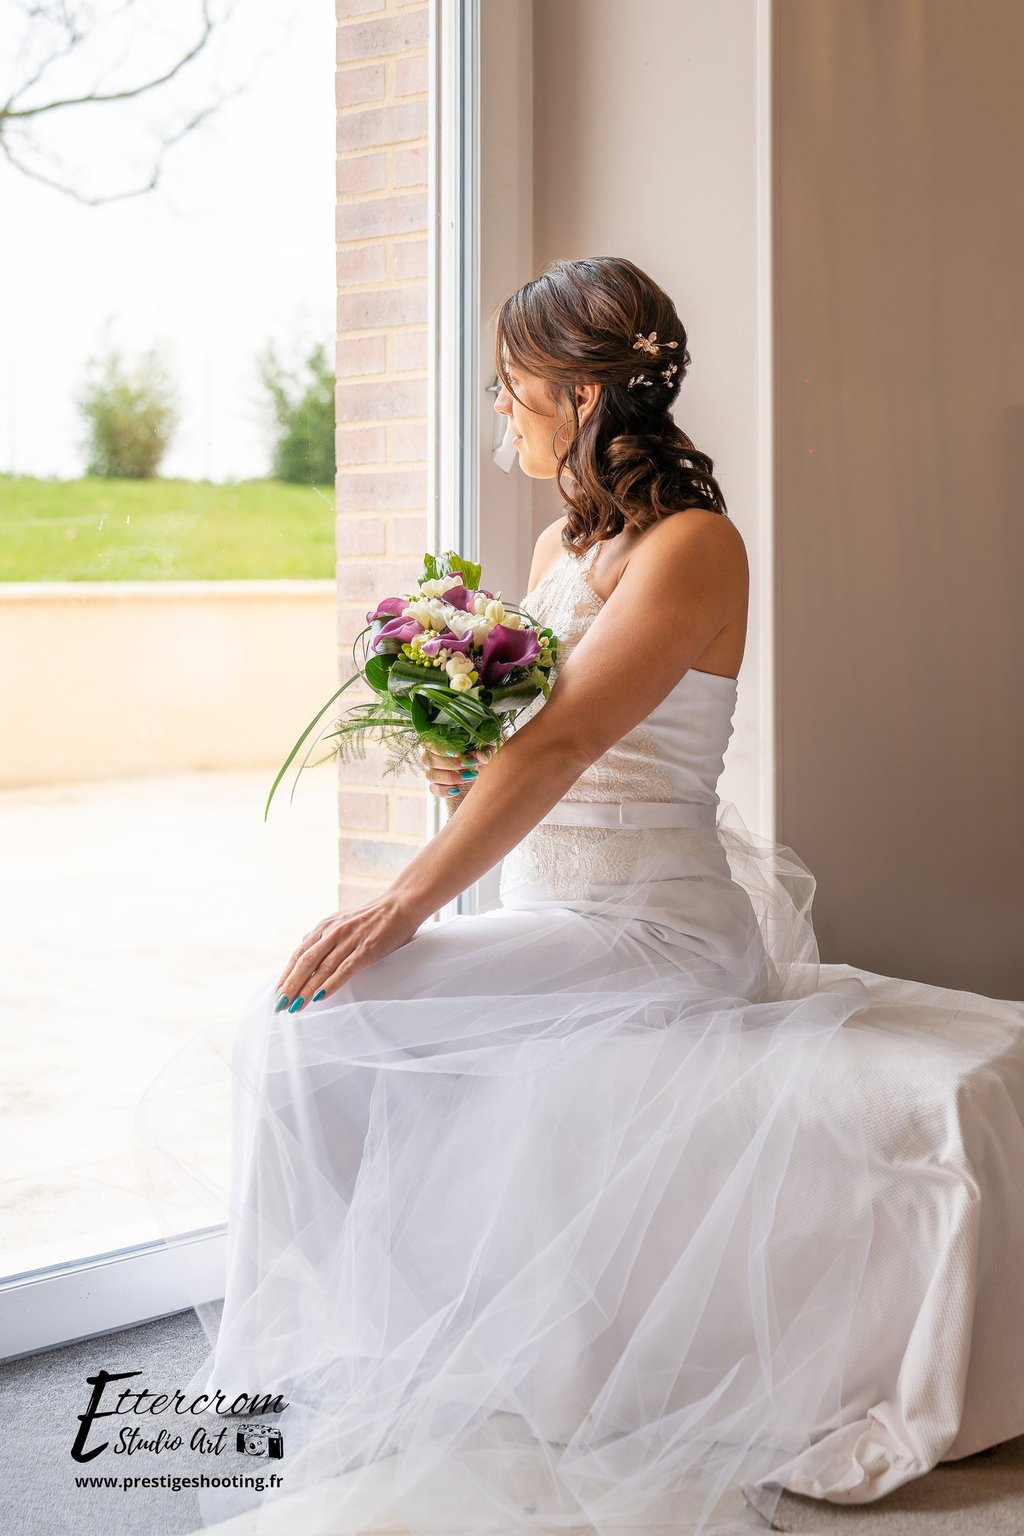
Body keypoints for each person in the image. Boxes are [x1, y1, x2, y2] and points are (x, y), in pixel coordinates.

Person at [153, 257, 1023, 1536]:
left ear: (574, 391)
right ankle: (357, 1345)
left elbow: (557, 753)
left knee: (315, 1021)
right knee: (294, 1029)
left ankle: (312, 1365)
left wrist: (399, 907)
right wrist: (454, 753)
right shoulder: (563, 540)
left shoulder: (692, 547)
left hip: (661, 935)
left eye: (510, 390)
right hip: (569, 916)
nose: (501, 413)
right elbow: (523, 760)